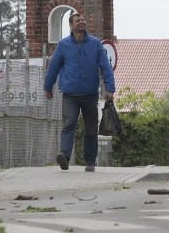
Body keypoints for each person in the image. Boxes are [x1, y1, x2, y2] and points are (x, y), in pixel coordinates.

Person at [43, 12, 116, 172]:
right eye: (78, 20)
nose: (81, 22)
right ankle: (64, 156)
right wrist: (48, 87)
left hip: (90, 94)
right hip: (70, 95)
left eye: (83, 20)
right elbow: (53, 67)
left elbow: (105, 67)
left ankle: (90, 161)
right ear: (71, 25)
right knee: (68, 124)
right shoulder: (63, 45)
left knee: (91, 129)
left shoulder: (95, 44)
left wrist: (110, 88)